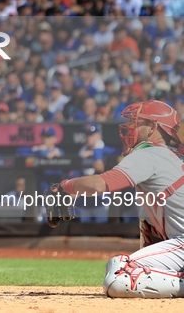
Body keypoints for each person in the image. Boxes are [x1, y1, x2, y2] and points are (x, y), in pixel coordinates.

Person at [46, 100, 184, 298]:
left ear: (153, 127)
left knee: (119, 273)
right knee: (146, 215)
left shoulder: (149, 153)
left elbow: (98, 185)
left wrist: (62, 187)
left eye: (137, 122)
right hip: (178, 243)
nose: (131, 127)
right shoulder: (172, 155)